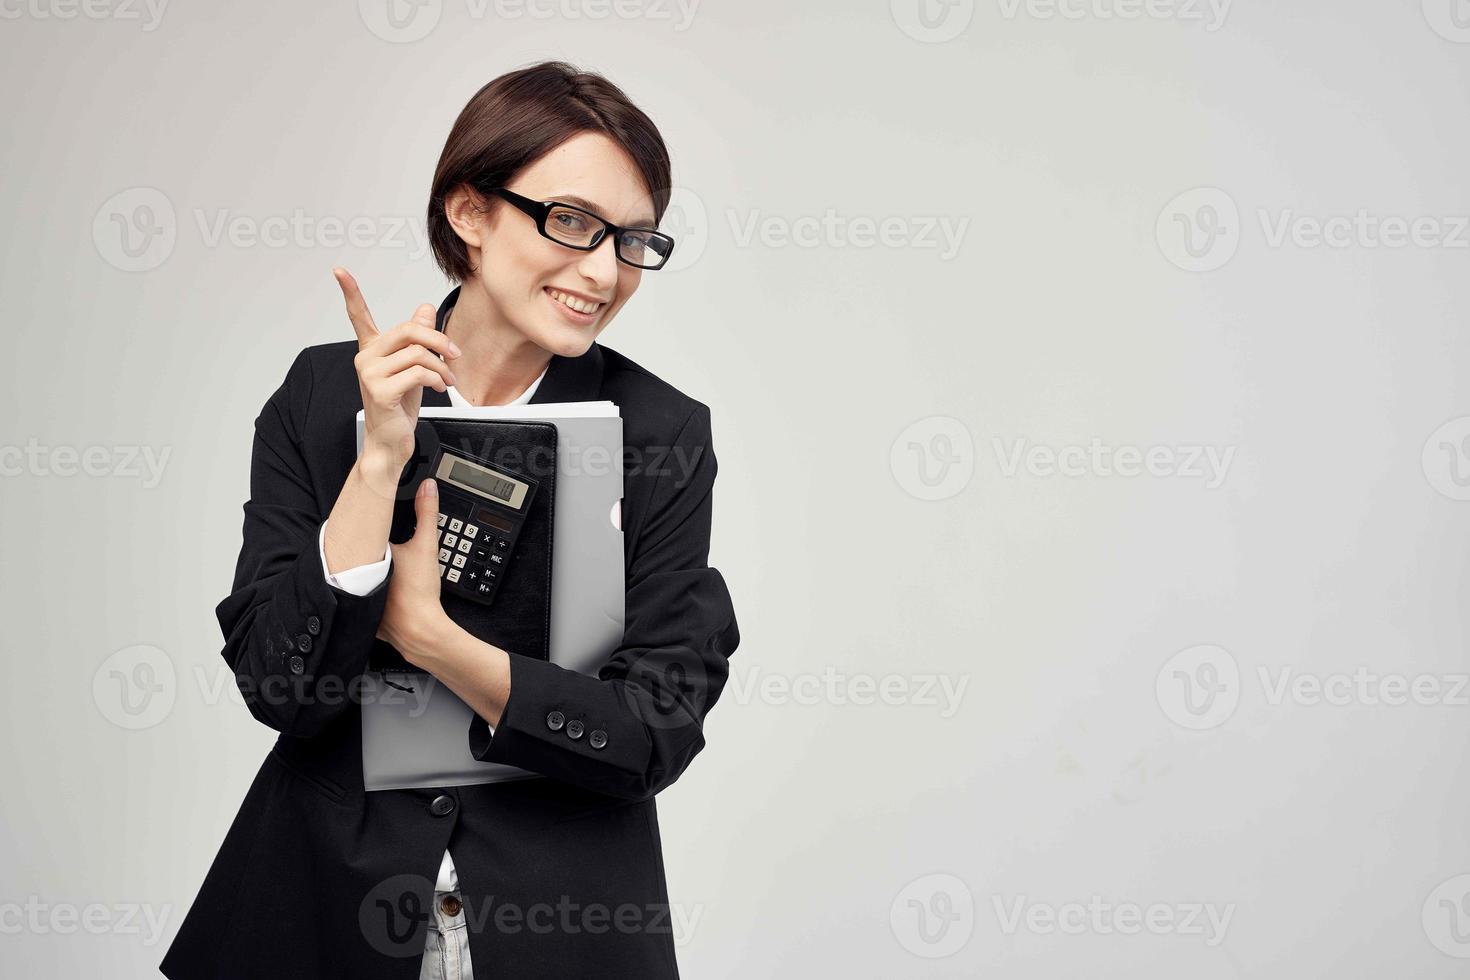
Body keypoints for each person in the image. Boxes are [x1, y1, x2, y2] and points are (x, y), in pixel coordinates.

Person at [159, 60, 740, 980]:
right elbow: (277, 686)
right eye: (573, 223)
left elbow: (650, 732)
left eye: (631, 240)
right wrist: (379, 459)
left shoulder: (662, 433)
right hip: (320, 905)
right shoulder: (321, 395)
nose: (603, 270)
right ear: (470, 213)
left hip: (562, 922)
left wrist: (430, 639)